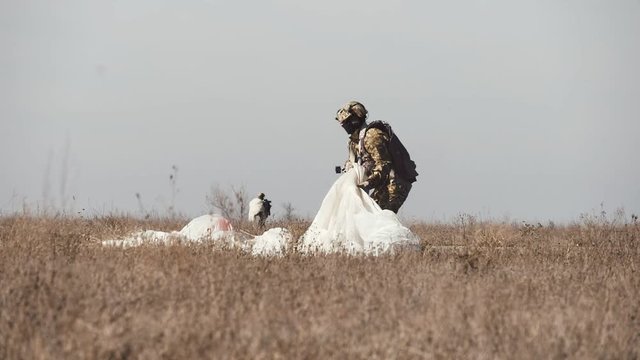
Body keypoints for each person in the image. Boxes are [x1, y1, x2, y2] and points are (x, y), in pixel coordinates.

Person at [335, 101, 417, 213]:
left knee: (381, 216)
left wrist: (369, 183)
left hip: (394, 183)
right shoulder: (355, 141)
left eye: (346, 123)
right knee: (369, 214)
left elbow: (384, 164)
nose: (345, 127)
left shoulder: (372, 136)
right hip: (382, 182)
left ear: (355, 120)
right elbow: (357, 161)